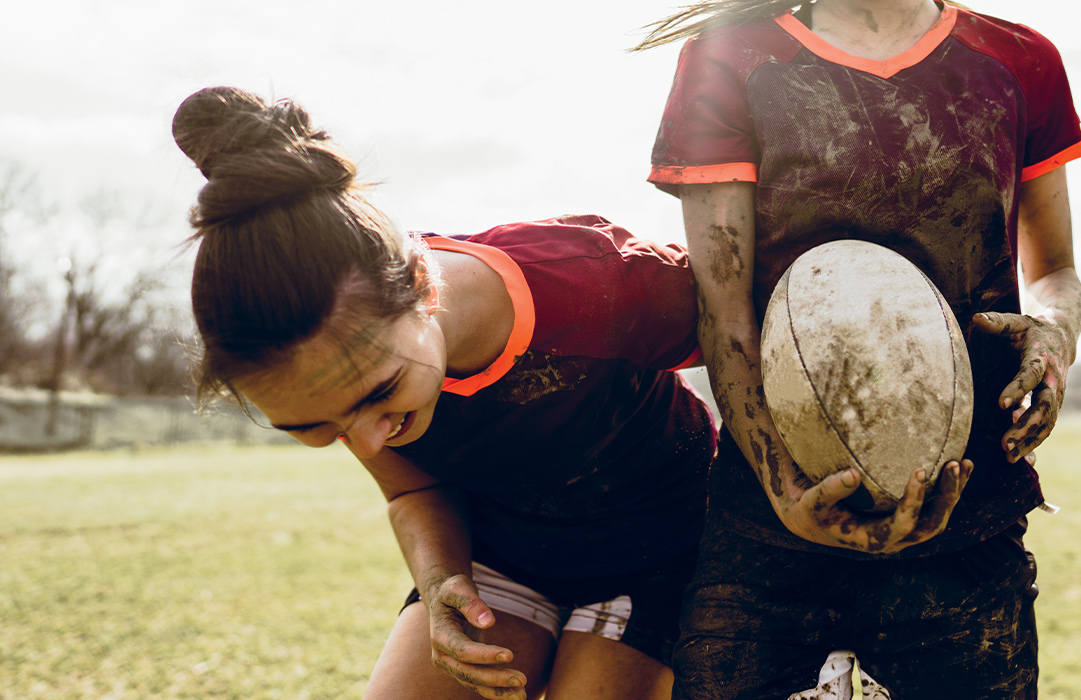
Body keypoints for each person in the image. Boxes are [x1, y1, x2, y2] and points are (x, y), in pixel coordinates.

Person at [173, 86, 716, 700]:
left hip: (660, 550)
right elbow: (412, 486)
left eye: (381, 394)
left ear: (421, 283)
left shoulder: (602, 283)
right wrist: (441, 581)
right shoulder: (344, 375)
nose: (371, 438)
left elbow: (765, 347)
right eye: (314, 430)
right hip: (500, 553)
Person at [637, 0, 1081, 697]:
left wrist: (1055, 336)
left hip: (967, 509)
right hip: (767, 521)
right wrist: (788, 495)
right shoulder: (731, 57)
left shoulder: (1019, 60)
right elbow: (722, 311)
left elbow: (1054, 270)